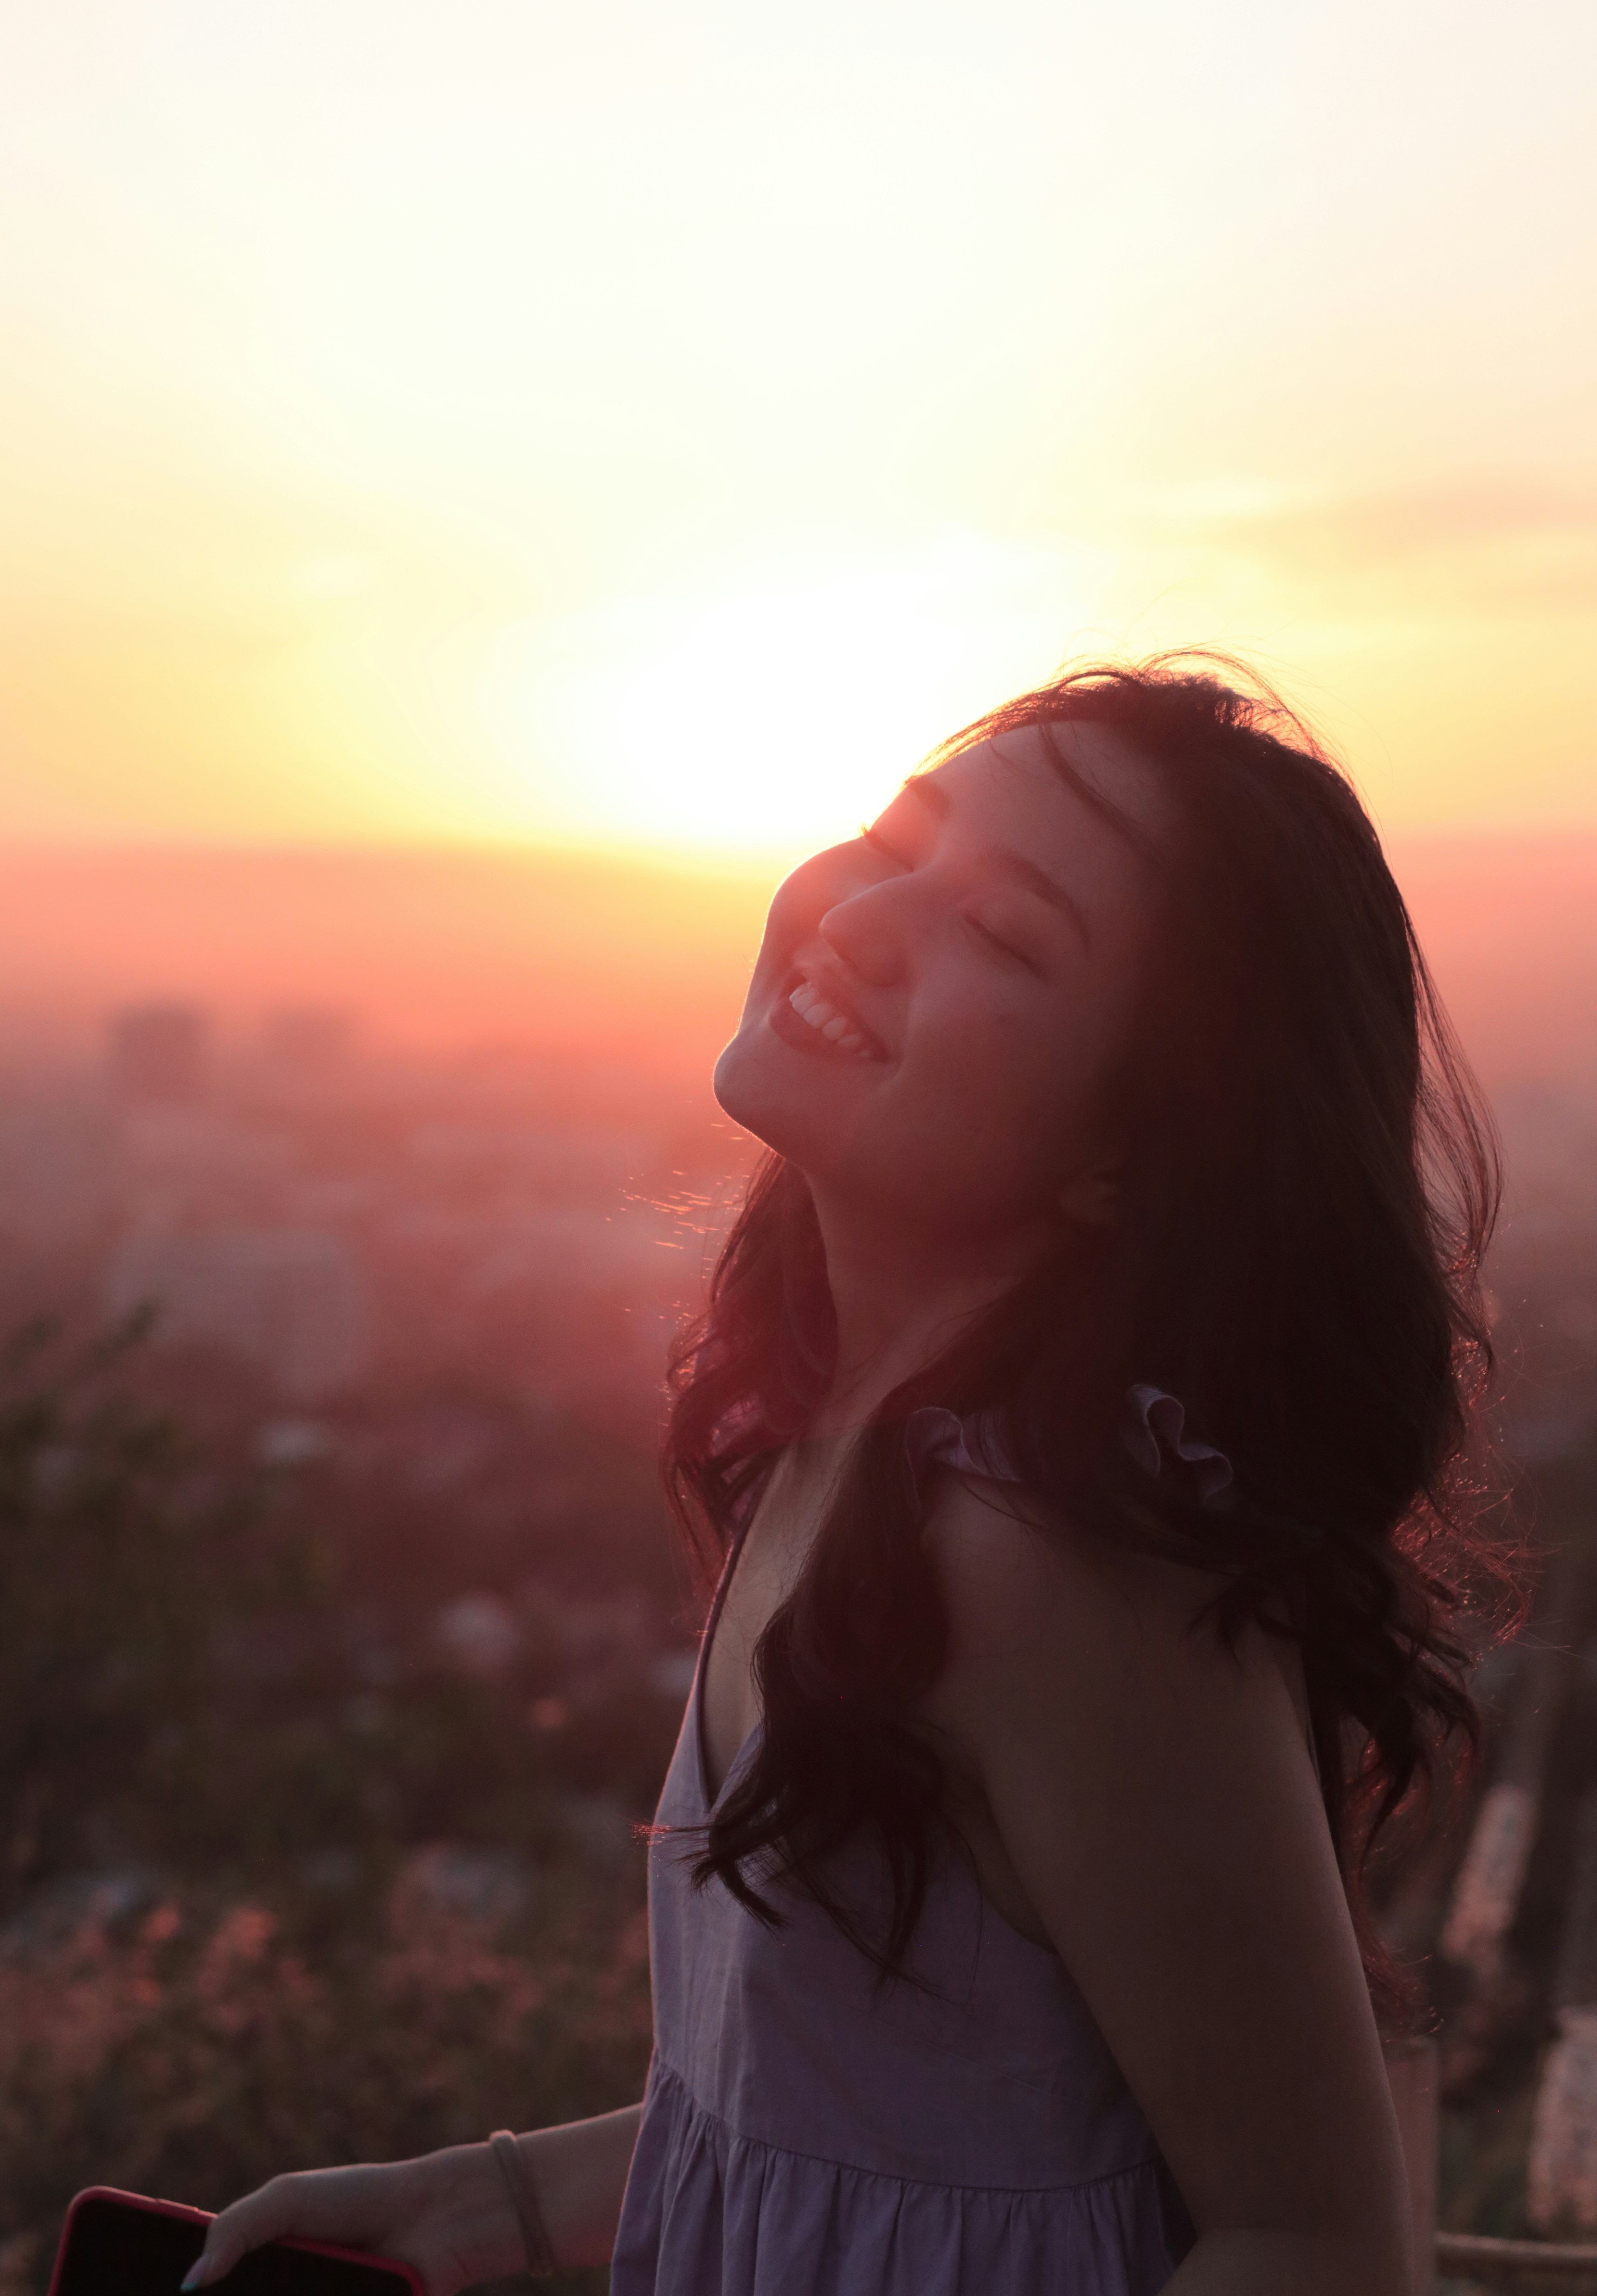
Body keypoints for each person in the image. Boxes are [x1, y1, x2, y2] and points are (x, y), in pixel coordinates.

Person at [187, 660, 1505, 2296]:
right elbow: (851, 2139)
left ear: (1130, 1151)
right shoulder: (840, 1447)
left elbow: (1316, 2244)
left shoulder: (1049, 1568)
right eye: (897, 840)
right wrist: (484, 2206)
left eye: (1008, 938)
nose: (871, 918)